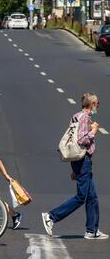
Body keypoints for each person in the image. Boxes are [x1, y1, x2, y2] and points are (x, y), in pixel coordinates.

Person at [42, 93, 108, 240]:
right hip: (83, 159)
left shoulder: (76, 115)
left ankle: (92, 230)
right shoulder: (85, 118)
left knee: (93, 197)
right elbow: (81, 140)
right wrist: (94, 131)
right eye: (97, 103)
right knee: (81, 196)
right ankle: (51, 216)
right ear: (91, 104)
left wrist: (74, 168)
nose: (98, 105)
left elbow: (72, 141)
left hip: (80, 160)